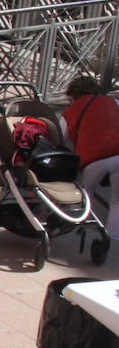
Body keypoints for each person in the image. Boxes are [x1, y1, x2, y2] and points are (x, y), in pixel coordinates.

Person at [62, 76, 119, 240]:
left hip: (93, 159)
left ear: (73, 95)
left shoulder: (72, 111)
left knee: (85, 195)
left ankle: (79, 231)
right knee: (117, 201)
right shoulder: (112, 102)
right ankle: (111, 240)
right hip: (118, 155)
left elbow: (59, 137)